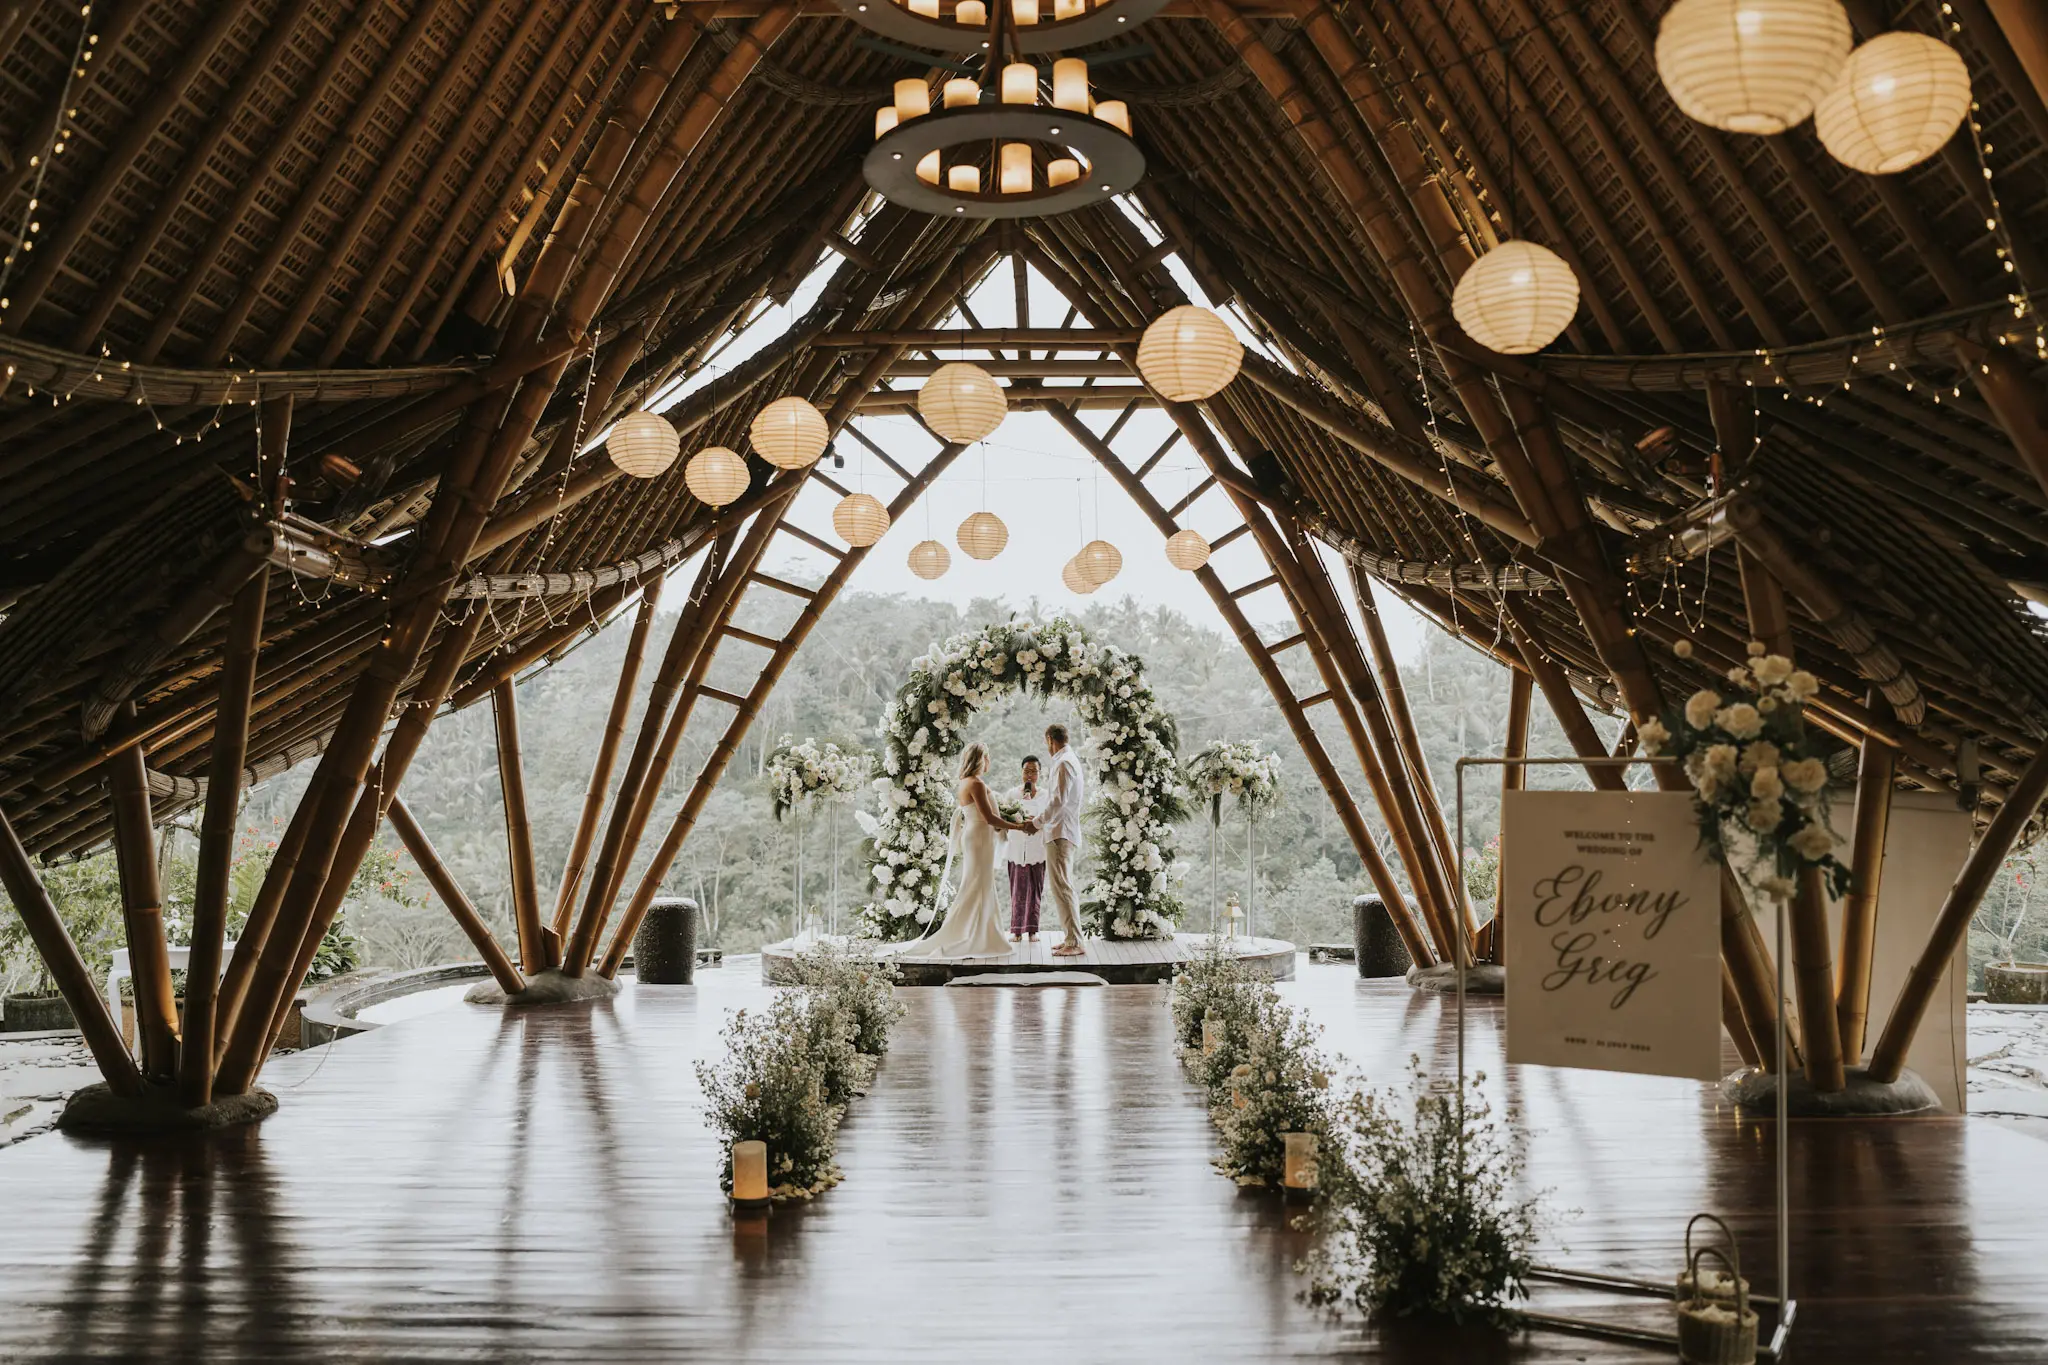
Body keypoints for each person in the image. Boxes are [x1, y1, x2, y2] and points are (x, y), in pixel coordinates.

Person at [911, 742, 1030, 960]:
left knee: (978, 883)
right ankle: (978, 935)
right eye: (986, 757)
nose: (989, 761)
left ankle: (981, 932)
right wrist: (1019, 826)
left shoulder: (967, 782)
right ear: (979, 760)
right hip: (979, 838)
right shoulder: (976, 784)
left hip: (977, 836)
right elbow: (990, 818)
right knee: (978, 884)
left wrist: (1007, 819)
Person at [1029, 723, 1087, 957]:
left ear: (1050, 740)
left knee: (1063, 887)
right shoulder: (1068, 760)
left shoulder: (1064, 763)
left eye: (1047, 743)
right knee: (1061, 886)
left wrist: (1036, 823)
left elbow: (1058, 801)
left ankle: (1075, 941)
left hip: (1060, 832)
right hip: (1060, 830)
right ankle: (1070, 937)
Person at [1005, 756, 1049, 943]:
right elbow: (1003, 817)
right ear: (1021, 772)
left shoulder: (1046, 795)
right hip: (1016, 848)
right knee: (1017, 890)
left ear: (1040, 773)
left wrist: (1037, 823)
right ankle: (1016, 931)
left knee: (1035, 890)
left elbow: (1051, 820)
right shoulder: (1012, 794)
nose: (1030, 775)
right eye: (1026, 771)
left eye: (1034, 771)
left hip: (1037, 848)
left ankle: (1032, 931)